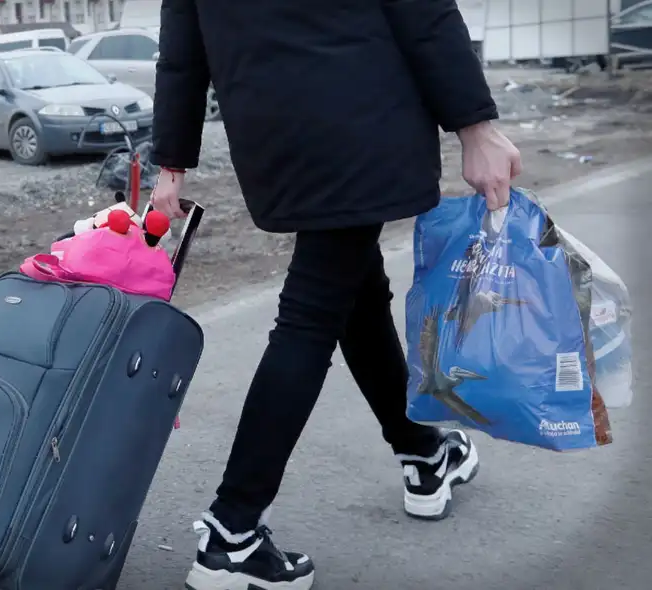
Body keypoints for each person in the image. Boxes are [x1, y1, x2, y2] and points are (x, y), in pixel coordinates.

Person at [149, 1, 522, 588]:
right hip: (363, 121)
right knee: (311, 313)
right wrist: (476, 127)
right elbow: (421, 12)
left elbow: (181, 53)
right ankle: (232, 532)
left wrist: (171, 165)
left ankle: (424, 454)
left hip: (273, 137)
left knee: (356, 291)